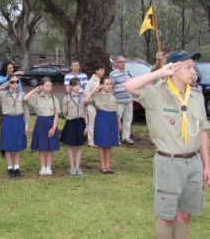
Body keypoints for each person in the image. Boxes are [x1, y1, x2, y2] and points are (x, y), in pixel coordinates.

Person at [124, 50, 210, 238]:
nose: (193, 71)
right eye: (188, 67)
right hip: (169, 163)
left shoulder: (197, 96)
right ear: (174, 69)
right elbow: (129, 85)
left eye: (193, 67)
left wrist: (206, 166)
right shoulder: (156, 93)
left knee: (185, 215)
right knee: (166, 216)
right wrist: (160, 72)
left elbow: (202, 132)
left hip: (194, 163)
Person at [0, 74, 29, 178]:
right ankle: (10, 168)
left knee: (18, 147)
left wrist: (27, 125)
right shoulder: (3, 94)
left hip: (19, 120)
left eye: (17, 82)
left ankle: (17, 168)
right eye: (12, 82)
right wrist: (0, 87)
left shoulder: (22, 94)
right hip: (8, 120)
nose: (15, 84)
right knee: (8, 146)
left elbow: (26, 110)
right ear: (8, 83)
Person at [84, 76, 121, 174]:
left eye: (110, 84)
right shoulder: (97, 95)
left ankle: (108, 166)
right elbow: (85, 100)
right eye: (107, 84)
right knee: (101, 144)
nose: (109, 86)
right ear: (101, 85)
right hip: (102, 119)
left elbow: (116, 111)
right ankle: (103, 166)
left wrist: (119, 123)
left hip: (111, 120)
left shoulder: (112, 96)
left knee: (109, 145)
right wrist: (93, 91)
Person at [24, 77, 60, 176]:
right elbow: (25, 98)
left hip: (51, 123)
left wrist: (53, 127)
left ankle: (48, 167)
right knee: (41, 147)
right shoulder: (37, 97)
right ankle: (42, 167)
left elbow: (56, 114)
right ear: (42, 86)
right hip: (40, 123)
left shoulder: (54, 98)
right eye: (46, 86)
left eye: (50, 86)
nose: (49, 88)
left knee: (50, 148)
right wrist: (36, 90)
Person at [60, 77, 88, 175]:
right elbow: (64, 113)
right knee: (70, 146)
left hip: (80, 123)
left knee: (80, 146)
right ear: (71, 86)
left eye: (79, 85)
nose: (77, 87)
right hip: (71, 123)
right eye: (75, 85)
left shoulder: (82, 97)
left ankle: (78, 167)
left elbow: (85, 112)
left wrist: (87, 125)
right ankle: (72, 167)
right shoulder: (66, 98)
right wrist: (66, 104)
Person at [110, 56, 134, 144]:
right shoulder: (113, 74)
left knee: (128, 120)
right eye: (120, 62)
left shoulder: (128, 73)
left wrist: (132, 97)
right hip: (119, 101)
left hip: (128, 100)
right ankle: (116, 137)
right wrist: (114, 98)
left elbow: (131, 85)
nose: (122, 63)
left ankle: (126, 137)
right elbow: (110, 87)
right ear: (116, 63)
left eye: (124, 61)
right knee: (117, 119)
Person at [84, 64, 105, 147]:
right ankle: (90, 141)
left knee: (100, 123)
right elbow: (86, 92)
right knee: (91, 123)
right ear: (96, 71)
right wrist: (94, 91)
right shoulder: (91, 81)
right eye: (101, 70)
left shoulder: (104, 80)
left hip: (101, 104)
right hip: (92, 103)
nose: (103, 71)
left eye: (103, 70)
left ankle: (99, 139)